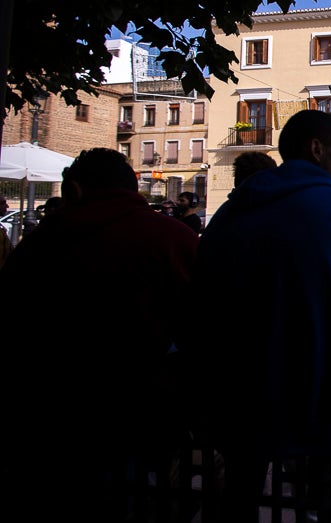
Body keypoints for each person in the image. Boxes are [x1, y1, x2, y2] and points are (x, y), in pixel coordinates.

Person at [183, 109, 331, 522]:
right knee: (327, 496)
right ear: (317, 149)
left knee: (240, 497)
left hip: (235, 399)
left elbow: (202, 301)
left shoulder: (229, 214)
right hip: (317, 397)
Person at [0, 148, 199, 521]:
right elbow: (205, 319)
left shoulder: (41, 244)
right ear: (133, 188)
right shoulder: (170, 237)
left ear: (74, 190)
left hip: (49, 410)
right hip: (144, 401)